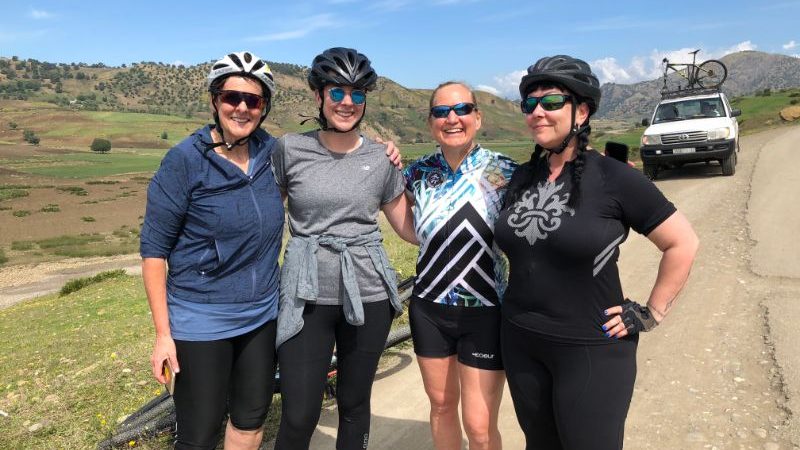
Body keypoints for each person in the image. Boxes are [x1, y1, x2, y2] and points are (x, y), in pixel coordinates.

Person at [494, 55, 699, 450]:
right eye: (529, 104)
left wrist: (651, 313)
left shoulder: (614, 177)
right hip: (520, 342)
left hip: (591, 347)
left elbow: (683, 242)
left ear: (582, 111)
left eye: (551, 102)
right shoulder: (522, 176)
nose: (537, 112)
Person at [272, 47, 416, 450]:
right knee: (299, 415)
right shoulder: (289, 150)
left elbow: (408, 227)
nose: (347, 102)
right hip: (306, 295)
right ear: (318, 95)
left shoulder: (382, 157)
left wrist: (476, 221)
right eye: (337, 92)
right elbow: (264, 219)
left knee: (354, 404)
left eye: (357, 93)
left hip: (368, 292)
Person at [140, 51, 283, 449]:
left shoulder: (271, 153)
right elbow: (154, 253)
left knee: (251, 419)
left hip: (261, 314)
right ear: (214, 101)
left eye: (253, 100)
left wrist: (377, 147)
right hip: (200, 319)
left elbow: (322, 155)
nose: (242, 108)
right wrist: (163, 335)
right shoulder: (185, 161)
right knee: (199, 433)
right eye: (232, 97)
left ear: (264, 107)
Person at [402, 82, 516, 450]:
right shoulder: (416, 172)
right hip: (429, 309)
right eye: (441, 112)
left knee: (480, 428)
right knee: (441, 406)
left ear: (478, 118)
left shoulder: (505, 171)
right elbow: (397, 212)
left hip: (485, 311)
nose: (452, 118)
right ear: (430, 122)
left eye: (462, 109)